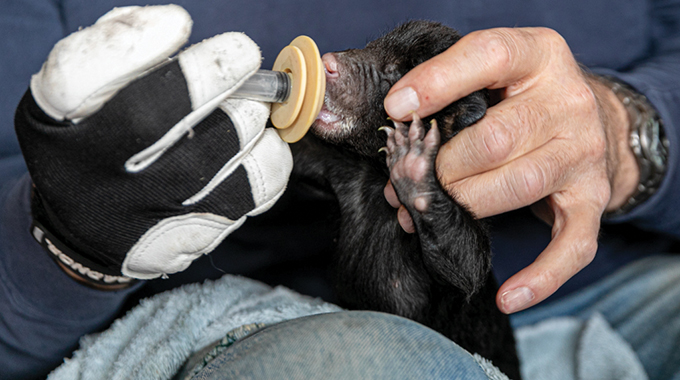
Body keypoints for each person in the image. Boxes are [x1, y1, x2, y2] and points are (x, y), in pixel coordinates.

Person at [1, 1, 678, 379]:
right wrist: (68, 239)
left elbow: (463, 272)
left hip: (619, 286)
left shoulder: (424, 180)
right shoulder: (352, 159)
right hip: (296, 328)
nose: (333, 65)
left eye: (381, 69)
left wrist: (631, 130)